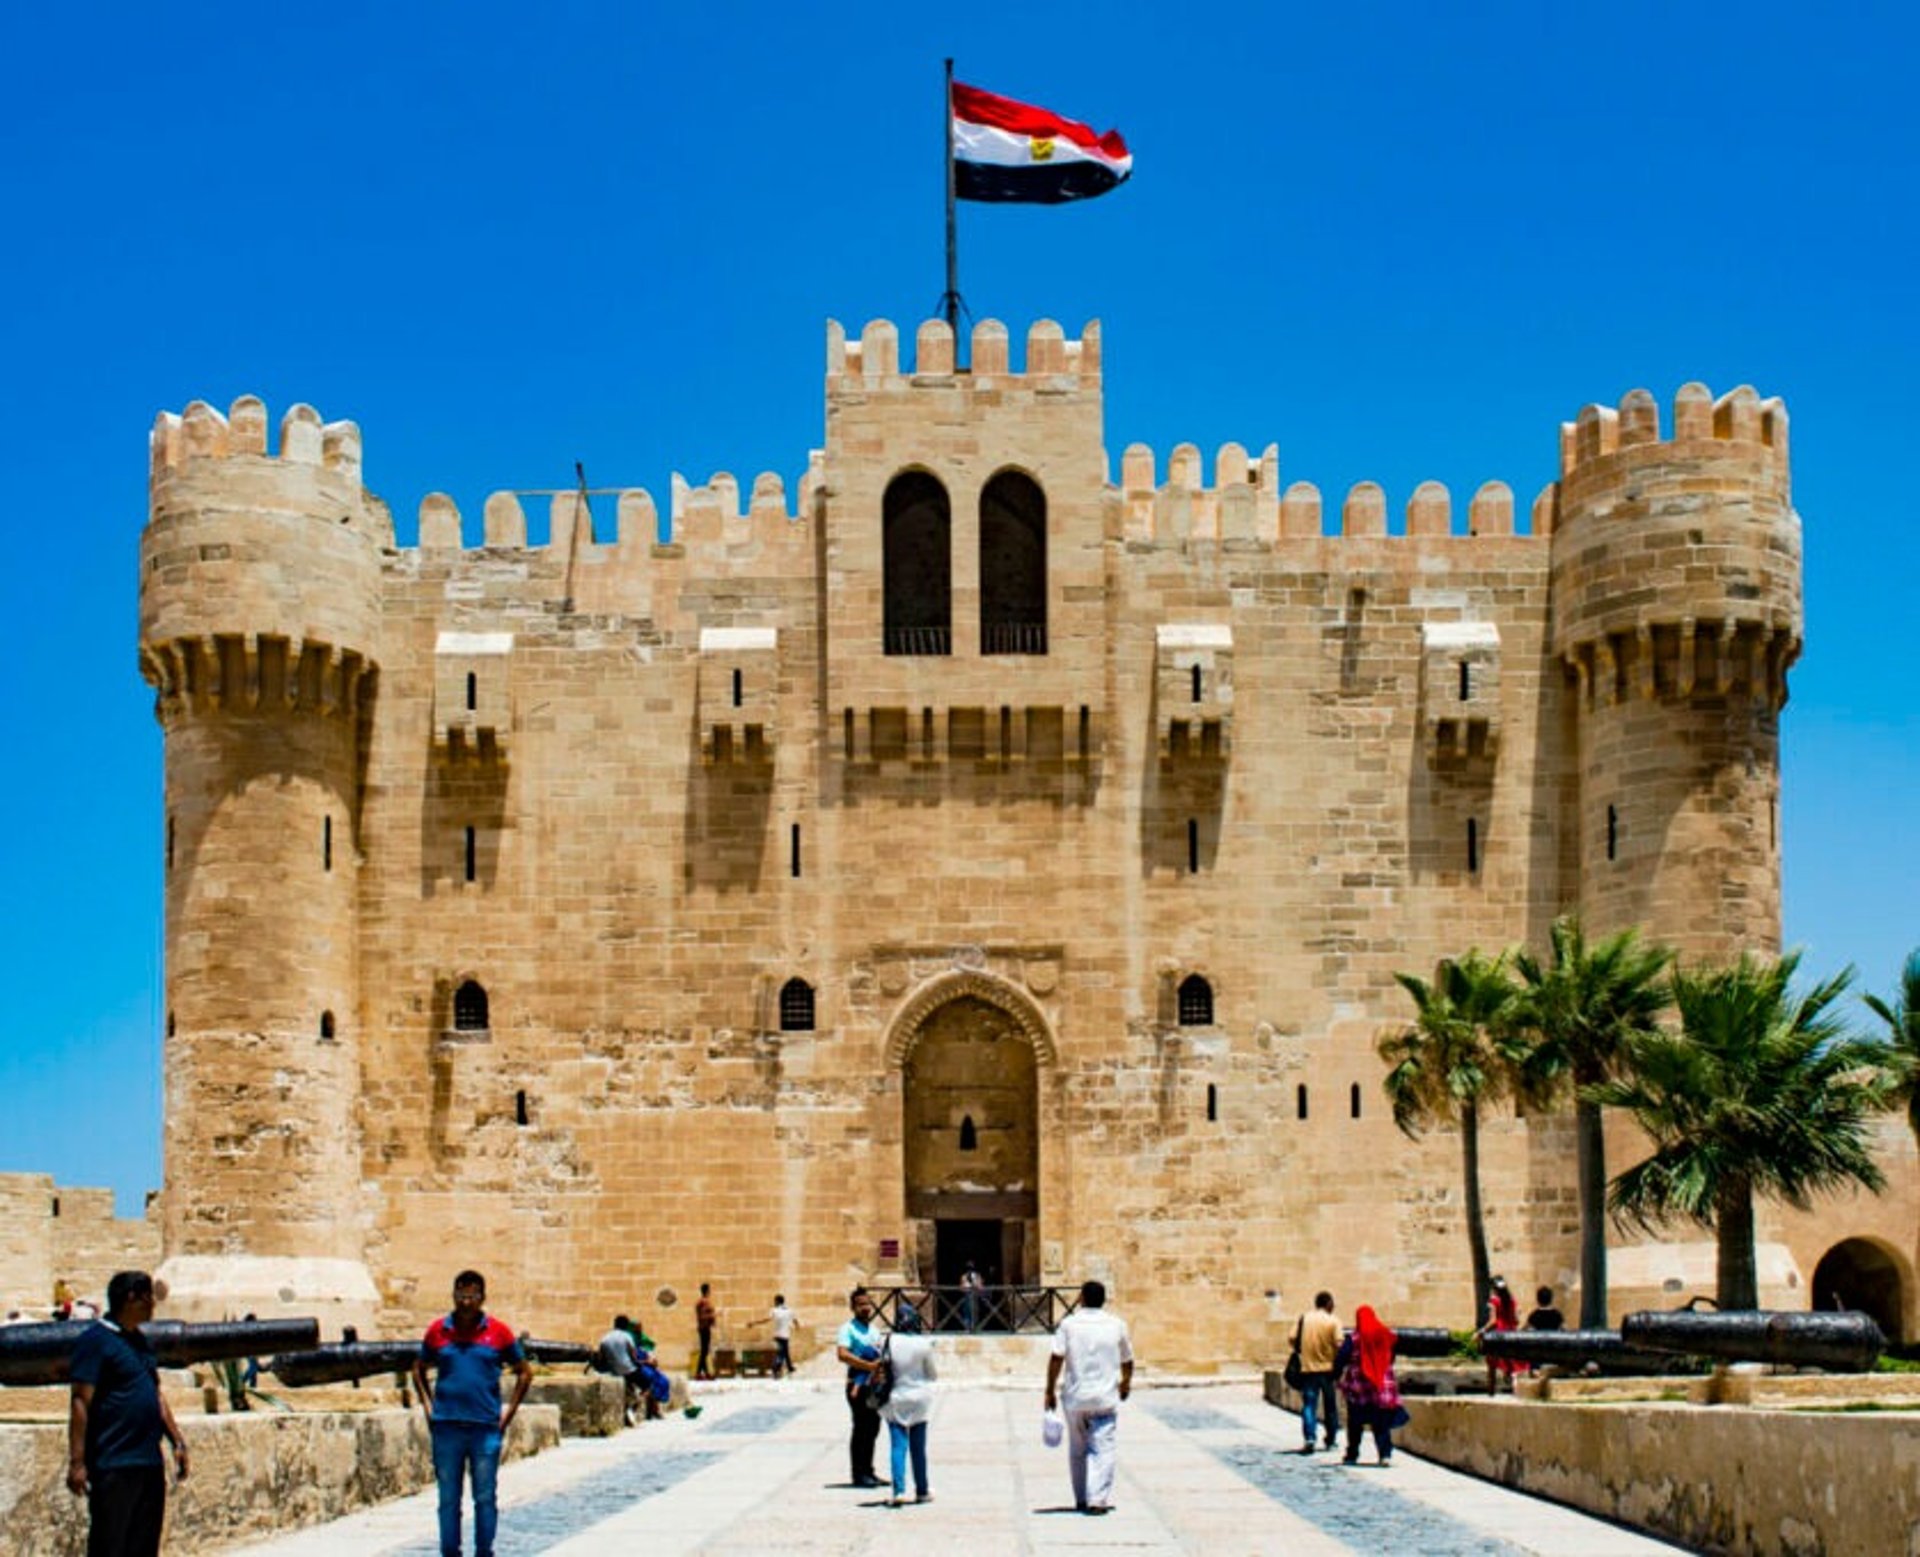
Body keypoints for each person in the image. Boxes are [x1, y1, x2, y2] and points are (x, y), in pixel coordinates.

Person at [66, 1269, 190, 1557]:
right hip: (114, 1462)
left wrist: (177, 1441)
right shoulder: (95, 1342)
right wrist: (77, 1462)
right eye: (149, 1298)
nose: (153, 1305)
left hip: (148, 1461)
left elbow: (155, 1394)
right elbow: (81, 1402)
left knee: (143, 1546)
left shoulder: (140, 1342)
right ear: (132, 1298)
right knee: (110, 1546)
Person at [412, 1270, 533, 1557]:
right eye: (461, 1296)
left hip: (484, 1428)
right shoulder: (438, 1331)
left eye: (472, 1296)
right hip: (447, 1427)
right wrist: (429, 1407)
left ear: (482, 1298)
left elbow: (524, 1372)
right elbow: (418, 1369)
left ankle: (484, 1551)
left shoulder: (499, 1332)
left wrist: (507, 1415)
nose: (466, 1302)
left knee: (485, 1497)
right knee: (448, 1499)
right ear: (453, 1296)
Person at [1043, 1279, 1133, 1516]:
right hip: (1104, 1397)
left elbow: (1056, 1357)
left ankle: (1082, 1498)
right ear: (1104, 1300)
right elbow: (1127, 1359)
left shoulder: (1069, 1324)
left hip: (1076, 1397)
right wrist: (1125, 1383)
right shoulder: (1116, 1325)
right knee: (1103, 1448)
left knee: (1077, 1449)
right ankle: (1098, 1499)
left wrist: (1049, 1390)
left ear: (1081, 1298)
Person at [879, 1303, 937, 1505]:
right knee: (918, 1448)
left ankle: (899, 1491)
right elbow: (932, 1374)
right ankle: (922, 1490)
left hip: (896, 1397)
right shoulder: (924, 1344)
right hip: (920, 1398)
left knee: (898, 1446)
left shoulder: (887, 1340)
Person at [1335, 1304, 1406, 1466]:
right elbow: (1391, 1356)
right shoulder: (1384, 1335)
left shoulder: (1353, 1339)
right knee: (1381, 1422)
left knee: (1355, 1423)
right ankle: (1385, 1454)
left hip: (1359, 1387)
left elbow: (1341, 1358)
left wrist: (1336, 1375)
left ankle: (1352, 1454)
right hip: (1381, 1385)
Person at [834, 1286, 888, 1488]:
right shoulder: (847, 1329)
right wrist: (867, 1366)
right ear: (853, 1307)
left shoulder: (874, 1330)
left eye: (867, 1303)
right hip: (856, 1385)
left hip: (873, 1386)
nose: (865, 1307)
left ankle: (869, 1471)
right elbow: (842, 1354)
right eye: (860, 1304)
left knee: (873, 1427)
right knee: (861, 1427)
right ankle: (858, 1473)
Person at [1294, 1290, 1342, 1453]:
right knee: (1330, 1406)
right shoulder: (1333, 1321)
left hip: (1308, 1369)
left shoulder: (1305, 1318)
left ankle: (1310, 1437)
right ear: (1328, 1304)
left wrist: (1305, 1351)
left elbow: (1292, 1338)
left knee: (1309, 1405)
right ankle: (1331, 1440)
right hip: (1327, 1369)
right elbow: (1339, 1344)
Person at [593, 1315, 643, 1427]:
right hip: (628, 1370)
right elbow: (633, 1357)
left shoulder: (605, 1338)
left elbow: (601, 1358)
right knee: (647, 1384)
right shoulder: (627, 1336)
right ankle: (633, 1408)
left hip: (612, 1370)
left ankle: (629, 1407)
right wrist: (641, 1363)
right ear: (626, 1326)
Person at [1475, 1274, 1521, 1393]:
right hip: (1511, 1332)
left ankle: (1491, 1390)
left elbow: (1493, 1320)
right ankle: (1514, 1386)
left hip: (1498, 1333)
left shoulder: (1494, 1301)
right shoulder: (1512, 1300)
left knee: (1492, 1363)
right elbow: (1517, 1320)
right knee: (1510, 1362)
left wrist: (1481, 1331)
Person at [746, 1294, 797, 1376]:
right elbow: (795, 1320)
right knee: (784, 1352)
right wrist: (797, 1327)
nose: (774, 1303)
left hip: (778, 1335)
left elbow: (765, 1320)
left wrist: (754, 1323)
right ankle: (789, 1367)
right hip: (786, 1335)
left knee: (781, 1353)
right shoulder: (789, 1310)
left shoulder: (774, 1310)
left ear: (777, 1301)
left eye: (775, 1301)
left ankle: (776, 1368)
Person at [694, 1283, 718, 1380]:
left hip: (704, 1328)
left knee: (705, 1350)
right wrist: (714, 1315)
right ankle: (698, 1373)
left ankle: (706, 1372)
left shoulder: (701, 1302)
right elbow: (703, 1316)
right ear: (707, 1291)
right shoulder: (703, 1302)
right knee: (704, 1351)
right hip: (704, 1328)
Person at [958, 1261, 984, 1334]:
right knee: (966, 1313)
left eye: (971, 1268)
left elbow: (981, 1287)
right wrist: (965, 1286)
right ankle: (967, 1328)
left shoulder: (977, 1276)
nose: (970, 1270)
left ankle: (975, 1328)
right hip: (966, 1297)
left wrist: (975, 1284)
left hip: (975, 1297)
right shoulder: (964, 1276)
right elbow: (961, 1288)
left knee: (975, 1312)